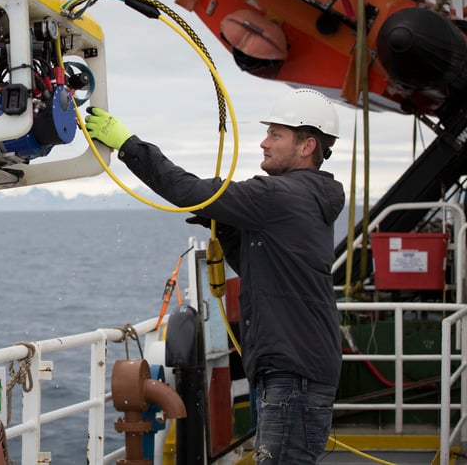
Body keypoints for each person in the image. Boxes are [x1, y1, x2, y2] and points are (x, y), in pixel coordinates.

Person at [84, 88, 345, 464]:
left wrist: (128, 145)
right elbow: (274, 266)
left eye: (276, 134)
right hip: (297, 367)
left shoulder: (277, 195)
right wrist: (226, 231)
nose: (264, 142)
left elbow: (187, 190)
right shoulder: (310, 197)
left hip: (292, 372)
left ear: (307, 146)